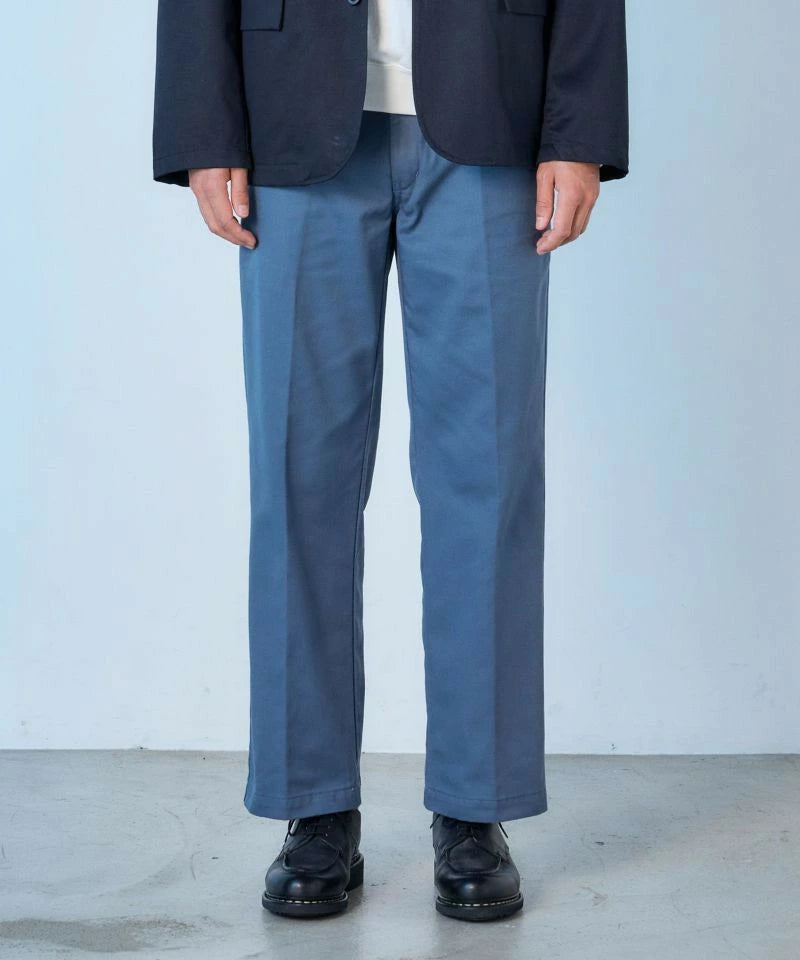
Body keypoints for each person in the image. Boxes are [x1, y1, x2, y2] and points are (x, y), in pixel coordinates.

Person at [153, 0, 628, 922]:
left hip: (492, 112)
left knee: (487, 481)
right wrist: (203, 128)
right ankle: (314, 805)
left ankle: (476, 807)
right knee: (298, 480)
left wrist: (580, 132)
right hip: (291, 119)